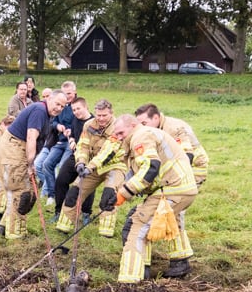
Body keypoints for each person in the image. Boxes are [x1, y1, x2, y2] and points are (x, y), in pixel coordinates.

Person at [107, 114, 198, 282]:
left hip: (173, 188)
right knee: (171, 222)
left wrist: (123, 194)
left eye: (121, 133)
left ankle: (130, 280)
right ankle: (178, 263)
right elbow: (145, 172)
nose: (119, 138)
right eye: (116, 135)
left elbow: (150, 167)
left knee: (137, 225)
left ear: (133, 125)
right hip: (182, 187)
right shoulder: (146, 134)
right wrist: (118, 192)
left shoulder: (141, 136)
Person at [0, 89, 68, 239]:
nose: (59, 108)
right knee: (21, 191)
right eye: (57, 104)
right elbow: (31, 137)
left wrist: (31, 163)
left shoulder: (48, 115)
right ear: (48, 99)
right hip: (14, 149)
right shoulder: (39, 110)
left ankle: (5, 226)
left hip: (18, 149)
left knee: (23, 189)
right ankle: (15, 233)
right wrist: (30, 164)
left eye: (62, 106)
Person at [55, 98, 125, 238]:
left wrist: (90, 167)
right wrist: (81, 162)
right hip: (93, 166)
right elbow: (83, 146)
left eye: (104, 115)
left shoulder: (118, 128)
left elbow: (107, 152)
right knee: (75, 191)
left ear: (111, 113)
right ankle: (63, 226)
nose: (100, 118)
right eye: (98, 115)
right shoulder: (88, 125)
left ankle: (106, 233)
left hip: (114, 166)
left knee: (108, 195)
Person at [134, 103, 209, 185]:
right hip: (181, 166)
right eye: (139, 124)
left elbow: (187, 155)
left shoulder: (173, 129)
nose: (142, 128)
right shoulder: (157, 127)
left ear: (156, 118)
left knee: (179, 193)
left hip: (195, 165)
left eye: (144, 123)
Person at [34, 80, 77, 209]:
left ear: (74, 92)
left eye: (69, 93)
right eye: (65, 93)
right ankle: (51, 195)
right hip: (58, 142)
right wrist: (58, 126)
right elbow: (53, 122)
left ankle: (61, 196)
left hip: (71, 143)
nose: (67, 96)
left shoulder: (78, 105)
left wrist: (72, 132)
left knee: (62, 169)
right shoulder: (59, 106)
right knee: (47, 164)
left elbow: (83, 124)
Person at [52, 96, 95, 222]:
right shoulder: (76, 120)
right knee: (60, 180)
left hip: (90, 158)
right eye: (74, 109)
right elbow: (73, 134)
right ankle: (59, 211)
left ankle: (86, 213)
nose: (76, 112)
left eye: (78, 109)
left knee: (87, 184)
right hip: (75, 155)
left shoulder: (94, 122)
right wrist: (71, 140)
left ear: (86, 107)